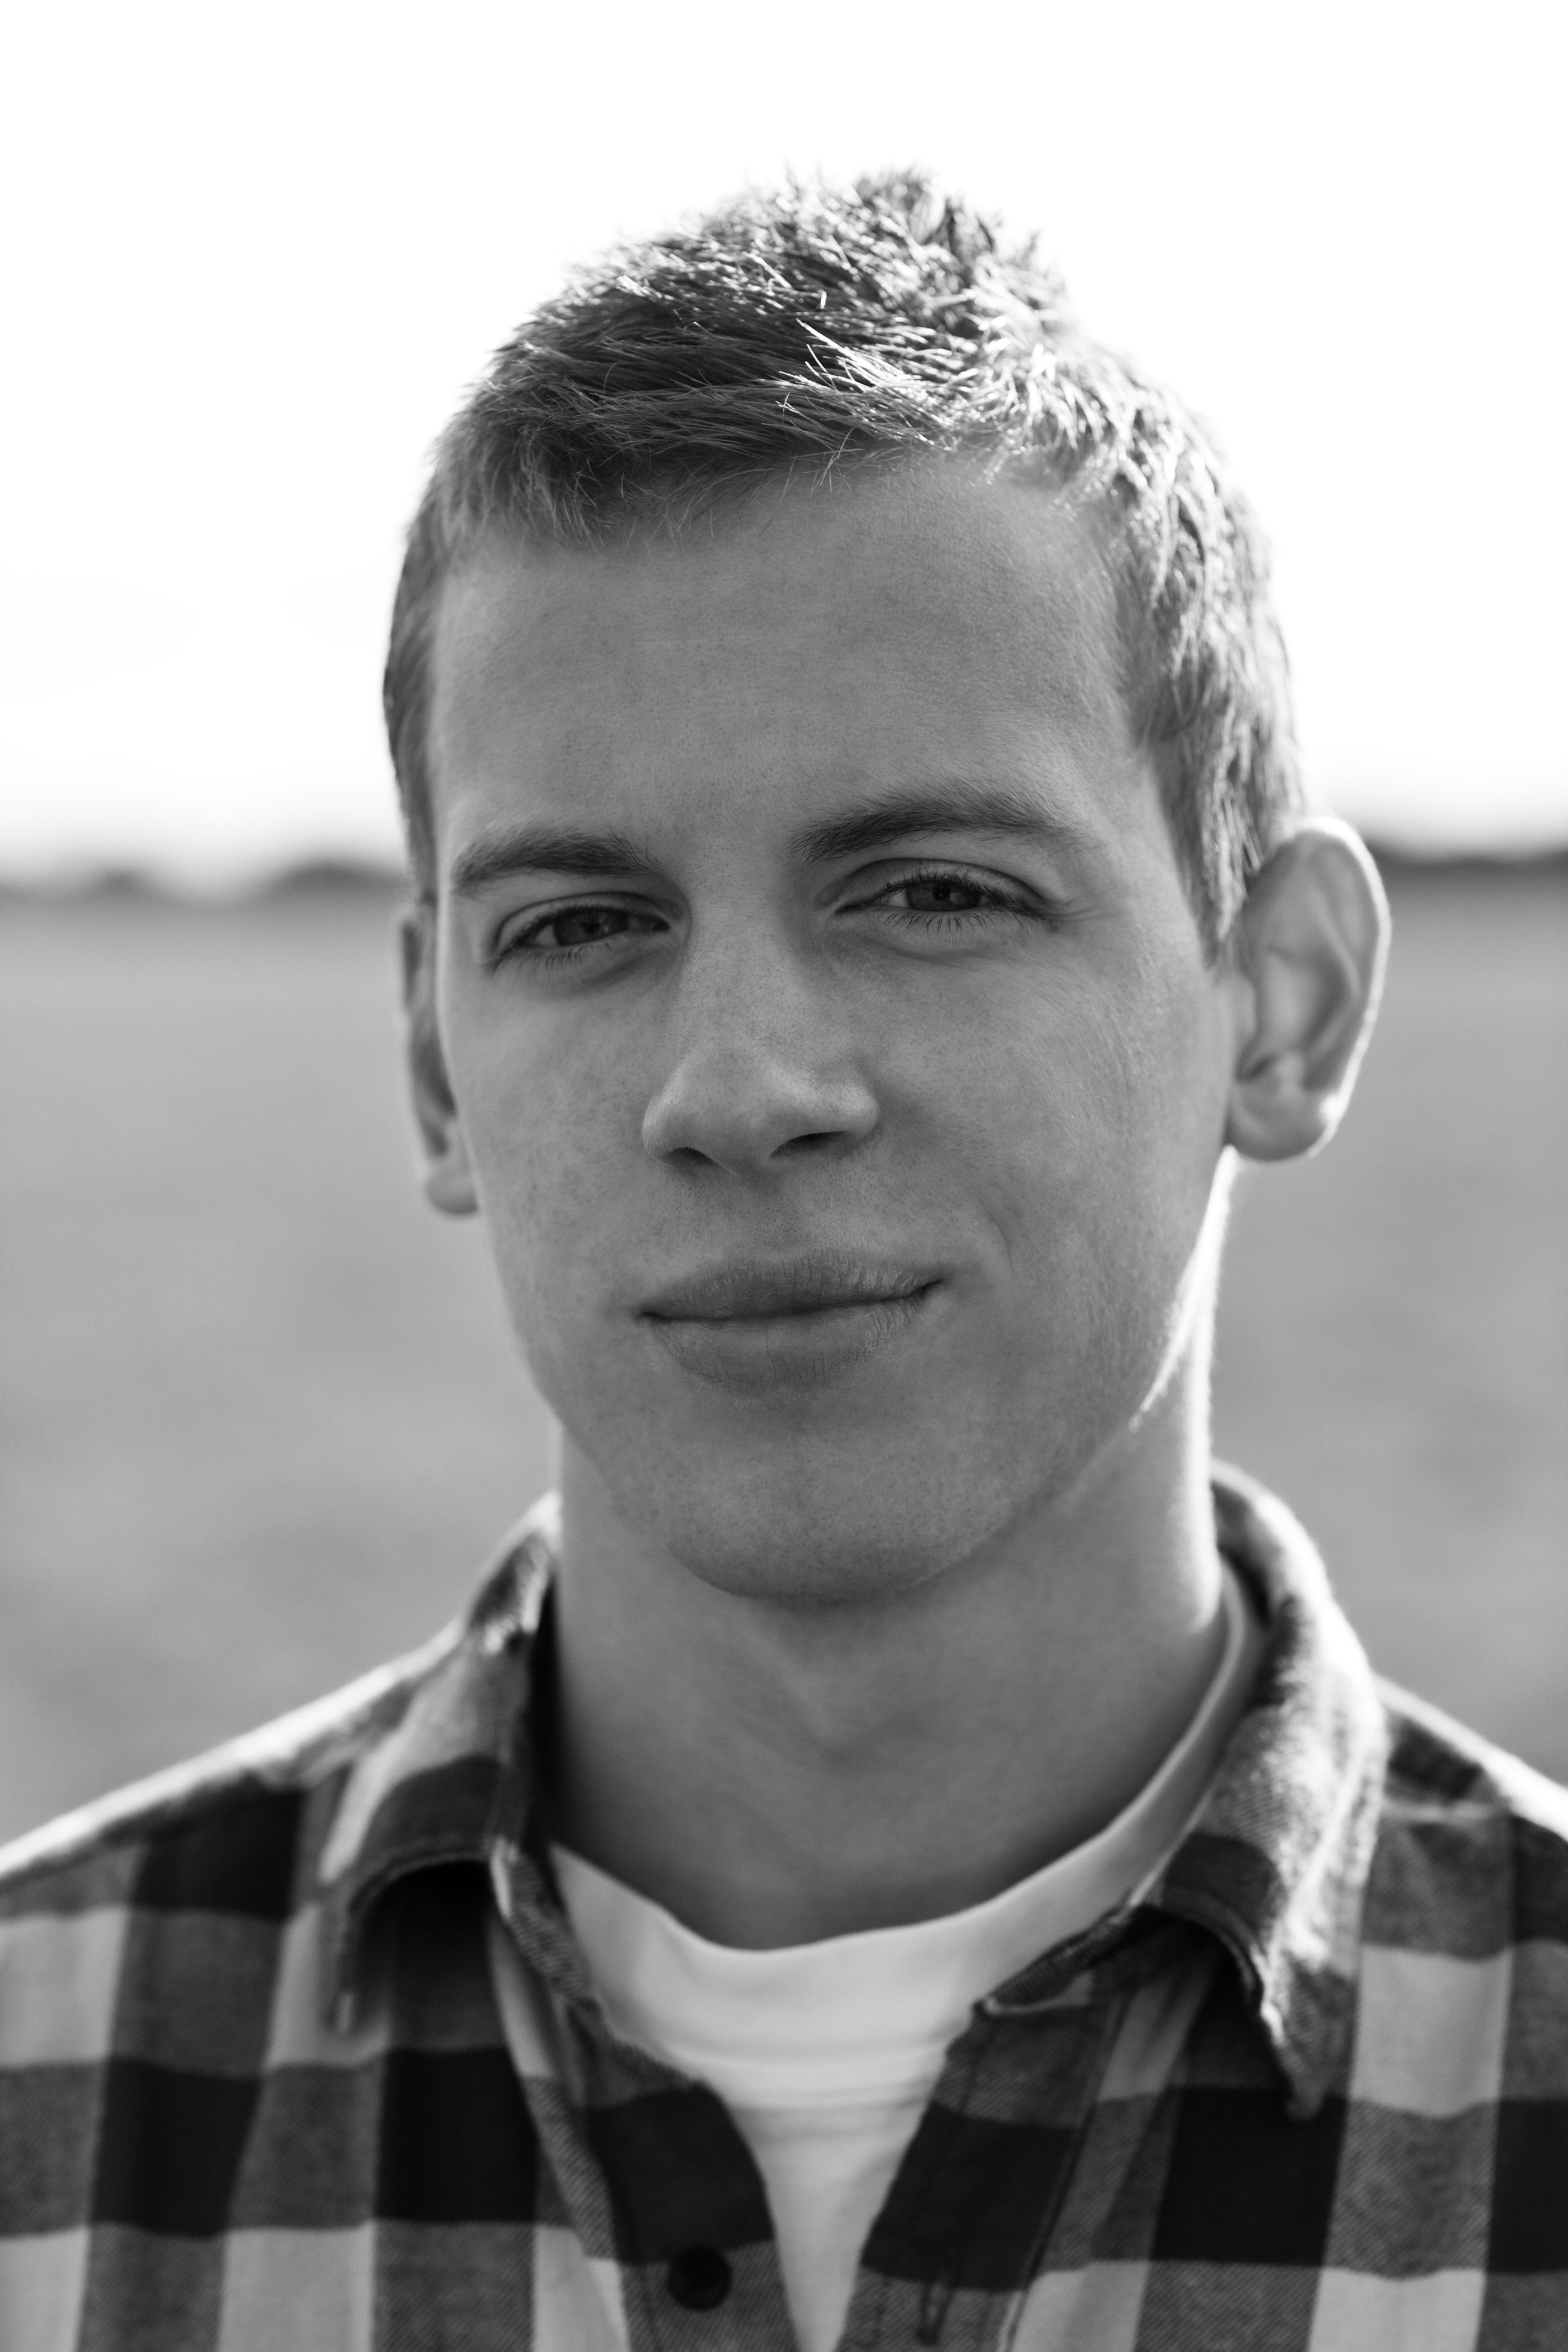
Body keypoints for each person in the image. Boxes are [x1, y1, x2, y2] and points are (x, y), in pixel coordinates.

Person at [1, 174, 1562, 2352]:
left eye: (930, 891)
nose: (737, 1085)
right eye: (579, 923)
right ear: (437, 1067)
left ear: (1281, 1001)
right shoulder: (43, 2090)